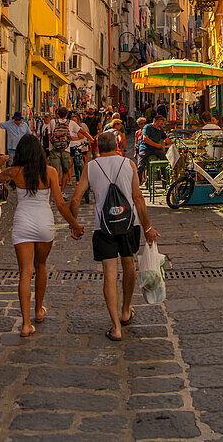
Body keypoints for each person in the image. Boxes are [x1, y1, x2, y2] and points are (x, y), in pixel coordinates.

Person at [0, 135, 84, 336]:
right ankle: (38, 310)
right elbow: (61, 204)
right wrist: (75, 224)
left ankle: (26, 324)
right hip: (44, 223)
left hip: (23, 223)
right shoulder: (50, 172)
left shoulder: (14, 172)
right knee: (41, 266)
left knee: (25, 272)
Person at [69, 129, 159, 342]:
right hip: (130, 224)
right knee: (129, 266)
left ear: (98, 147)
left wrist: (74, 224)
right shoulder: (128, 164)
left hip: (104, 227)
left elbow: (74, 199)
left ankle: (116, 327)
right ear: (117, 145)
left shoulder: (91, 167)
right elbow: (138, 198)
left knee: (109, 274)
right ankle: (126, 310)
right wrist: (147, 228)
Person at [136, 113, 171, 183]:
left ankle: (164, 177)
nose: (161, 125)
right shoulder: (147, 127)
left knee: (165, 159)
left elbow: (167, 139)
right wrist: (156, 145)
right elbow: (145, 139)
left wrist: (172, 142)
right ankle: (138, 181)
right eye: (160, 124)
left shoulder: (160, 129)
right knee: (140, 165)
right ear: (156, 122)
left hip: (155, 149)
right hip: (145, 148)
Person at [48, 106, 71, 188]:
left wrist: (53, 143)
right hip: (66, 149)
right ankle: (62, 191)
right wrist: (90, 138)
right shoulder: (70, 122)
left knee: (54, 171)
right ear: (67, 114)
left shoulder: (52, 122)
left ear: (57, 114)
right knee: (65, 171)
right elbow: (81, 131)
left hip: (54, 149)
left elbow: (49, 135)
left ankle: (55, 190)